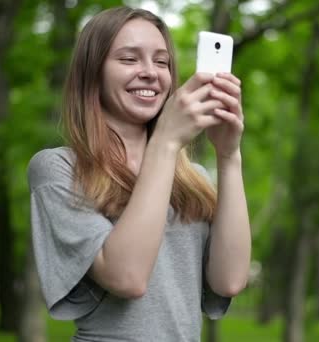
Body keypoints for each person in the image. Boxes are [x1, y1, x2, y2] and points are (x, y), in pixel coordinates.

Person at [27, 6, 251, 341]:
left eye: (161, 62)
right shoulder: (58, 169)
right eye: (129, 59)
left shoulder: (195, 179)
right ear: (94, 72)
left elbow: (229, 280)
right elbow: (127, 277)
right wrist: (166, 141)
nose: (150, 72)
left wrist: (229, 155)